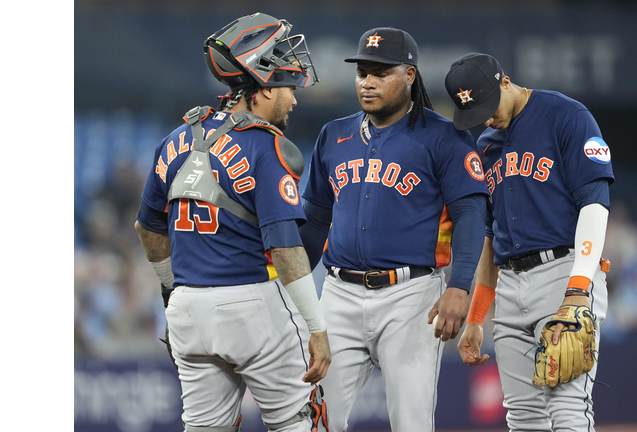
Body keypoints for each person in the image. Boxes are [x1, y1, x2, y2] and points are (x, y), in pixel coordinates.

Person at [134, 12, 331, 432]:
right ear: (259, 91)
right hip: (250, 306)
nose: (294, 99)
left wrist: (171, 292)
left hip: (186, 311)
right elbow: (285, 248)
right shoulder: (267, 146)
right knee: (300, 422)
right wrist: (317, 327)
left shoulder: (176, 138)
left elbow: (147, 230)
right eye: (286, 88)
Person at [298, 28, 490, 432]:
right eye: (362, 72)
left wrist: (460, 285)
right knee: (316, 421)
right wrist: (287, 286)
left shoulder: (445, 137)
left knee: (411, 422)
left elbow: (471, 214)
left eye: (380, 72)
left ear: (410, 75)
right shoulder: (333, 135)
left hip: (412, 297)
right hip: (338, 294)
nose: (367, 82)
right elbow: (315, 221)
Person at [444, 53, 614, 431]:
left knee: (568, 409)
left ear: (506, 82)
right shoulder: (487, 144)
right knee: (523, 419)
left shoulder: (565, 115)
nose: (487, 118)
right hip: (509, 287)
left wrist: (578, 288)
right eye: (476, 113)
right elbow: (492, 233)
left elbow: (595, 205)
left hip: (563, 274)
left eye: (489, 106)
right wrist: (475, 317)